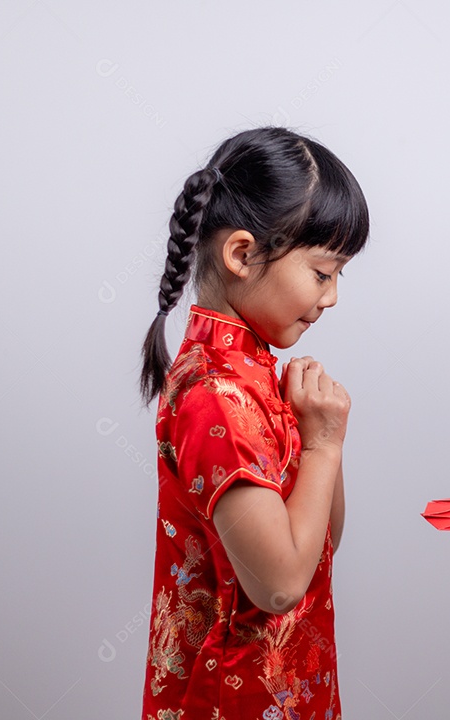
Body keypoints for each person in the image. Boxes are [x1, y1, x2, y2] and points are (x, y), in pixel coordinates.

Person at [137, 126, 369, 720]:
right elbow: (280, 584)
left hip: (284, 690)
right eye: (323, 272)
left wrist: (324, 441)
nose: (334, 296)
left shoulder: (256, 377)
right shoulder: (215, 394)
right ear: (242, 254)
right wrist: (320, 446)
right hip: (234, 698)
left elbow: (319, 545)